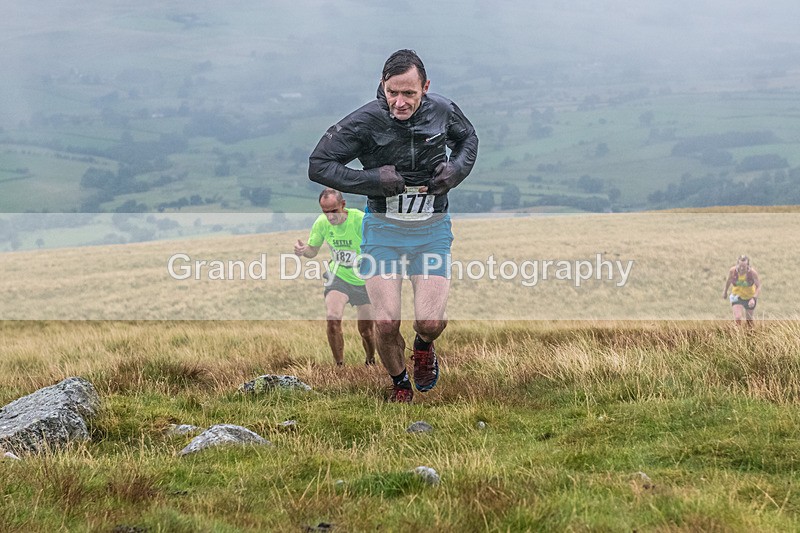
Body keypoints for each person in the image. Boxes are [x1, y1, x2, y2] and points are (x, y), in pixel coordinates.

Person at [308, 49, 479, 402]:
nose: (399, 103)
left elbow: (468, 139)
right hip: (383, 230)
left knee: (430, 322)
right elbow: (319, 164)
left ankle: (422, 347)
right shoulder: (366, 121)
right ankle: (400, 385)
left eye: (409, 94)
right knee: (386, 323)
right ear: (382, 86)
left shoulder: (444, 111)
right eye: (392, 93)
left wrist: (457, 170)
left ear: (425, 88)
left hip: (431, 229)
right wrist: (372, 179)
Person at [294, 188, 377, 366]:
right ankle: (339, 366)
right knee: (333, 318)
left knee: (366, 331)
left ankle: (370, 361)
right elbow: (312, 251)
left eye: (334, 211)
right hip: (338, 275)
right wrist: (303, 251)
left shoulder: (360, 220)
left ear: (343, 205)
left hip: (364, 279)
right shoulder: (322, 223)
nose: (330, 217)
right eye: (325, 212)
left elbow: (378, 245)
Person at [722, 254, 762, 326]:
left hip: (749, 298)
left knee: (749, 321)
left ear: (748, 265)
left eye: (744, 266)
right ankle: (737, 335)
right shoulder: (733, 271)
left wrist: (753, 298)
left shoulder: (752, 273)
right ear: (737, 264)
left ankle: (750, 334)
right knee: (738, 318)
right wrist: (725, 291)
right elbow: (728, 281)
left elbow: (758, 287)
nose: (742, 268)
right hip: (737, 296)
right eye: (740, 266)